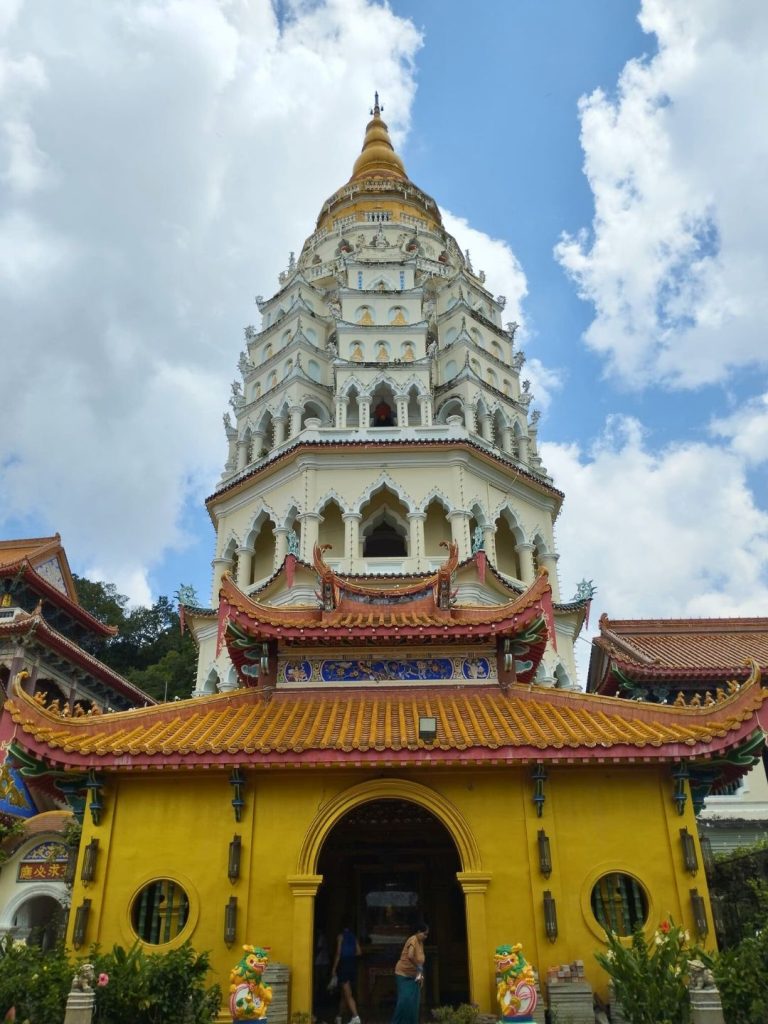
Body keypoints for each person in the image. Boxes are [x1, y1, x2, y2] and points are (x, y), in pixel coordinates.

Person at [391, 922, 429, 1024]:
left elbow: (421, 961)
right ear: (418, 932)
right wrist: (418, 966)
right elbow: (410, 955)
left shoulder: (421, 943)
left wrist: (420, 974)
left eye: (427, 935)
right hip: (403, 975)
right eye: (424, 934)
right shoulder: (413, 939)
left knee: (413, 1003)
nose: (426, 936)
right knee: (404, 1001)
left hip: (414, 976)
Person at [331, 925, 361, 1024]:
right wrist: (351, 955)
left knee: (348, 994)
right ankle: (339, 1017)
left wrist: (334, 968)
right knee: (344, 994)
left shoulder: (340, 936)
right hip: (352, 965)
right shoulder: (353, 937)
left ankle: (355, 1017)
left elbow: (339, 952)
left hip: (343, 965)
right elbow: (359, 952)